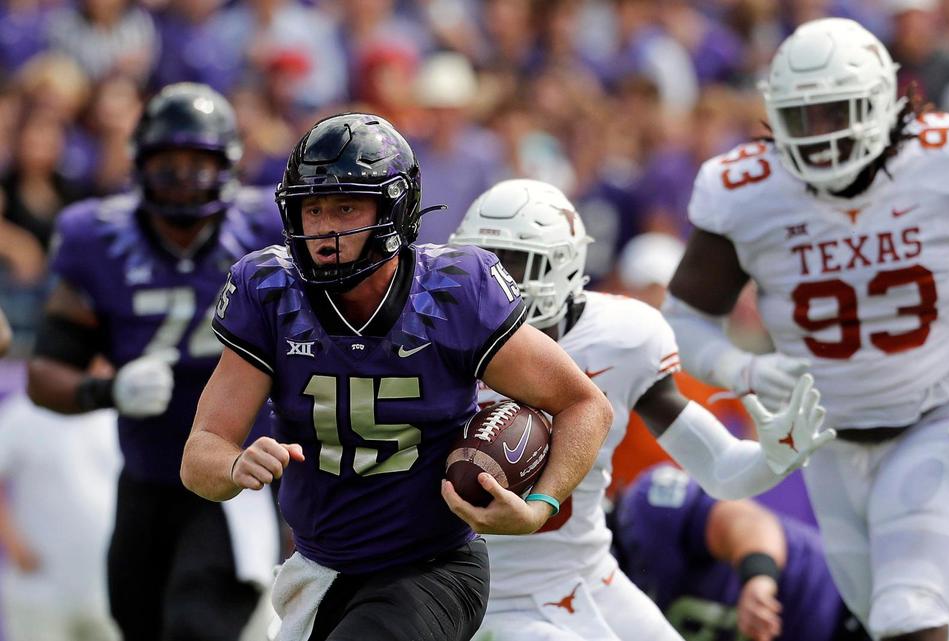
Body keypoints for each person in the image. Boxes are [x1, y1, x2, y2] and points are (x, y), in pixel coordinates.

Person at [663, 18, 949, 641]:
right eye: (803, 118)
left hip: (940, 422)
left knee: (908, 612)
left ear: (883, 103)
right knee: (895, 623)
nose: (821, 138)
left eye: (838, 113)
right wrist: (741, 369)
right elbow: (685, 320)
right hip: (827, 446)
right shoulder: (749, 192)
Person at [180, 114, 612, 641]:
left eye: (346, 206)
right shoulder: (269, 290)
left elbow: (584, 404)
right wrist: (234, 463)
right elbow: (199, 455)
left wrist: (540, 506)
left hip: (432, 568)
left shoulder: (456, 290)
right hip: (317, 572)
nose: (324, 229)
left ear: (395, 208)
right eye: (311, 209)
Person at [449, 178, 834, 641]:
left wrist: (769, 460)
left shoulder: (621, 336)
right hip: (475, 589)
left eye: (517, 262)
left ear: (565, 266)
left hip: (586, 576)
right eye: (486, 261)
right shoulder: (432, 338)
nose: (499, 280)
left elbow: (720, 471)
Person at [26, 82, 285, 641]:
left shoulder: (269, 230)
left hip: (231, 475)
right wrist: (108, 392)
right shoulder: (94, 237)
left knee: (197, 625)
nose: (185, 179)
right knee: (135, 622)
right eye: (169, 164)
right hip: (146, 471)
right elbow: (45, 373)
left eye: (199, 164)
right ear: (140, 165)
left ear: (229, 166)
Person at [615, 464, 870, 641]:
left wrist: (758, 579)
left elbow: (747, 521)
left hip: (845, 601)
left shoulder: (645, 512)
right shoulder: (592, 605)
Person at [0, 393, 121, 641]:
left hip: (105, 589)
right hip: (40, 588)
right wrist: (14, 544)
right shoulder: (22, 414)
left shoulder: (113, 414)